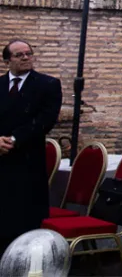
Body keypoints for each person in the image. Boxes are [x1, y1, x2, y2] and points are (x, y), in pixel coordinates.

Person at [0, 40, 62, 255]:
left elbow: (45, 120)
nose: (26, 57)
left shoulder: (48, 85)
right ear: (8, 60)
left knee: (23, 222)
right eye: (19, 55)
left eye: (29, 53)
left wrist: (13, 140)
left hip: (27, 162)